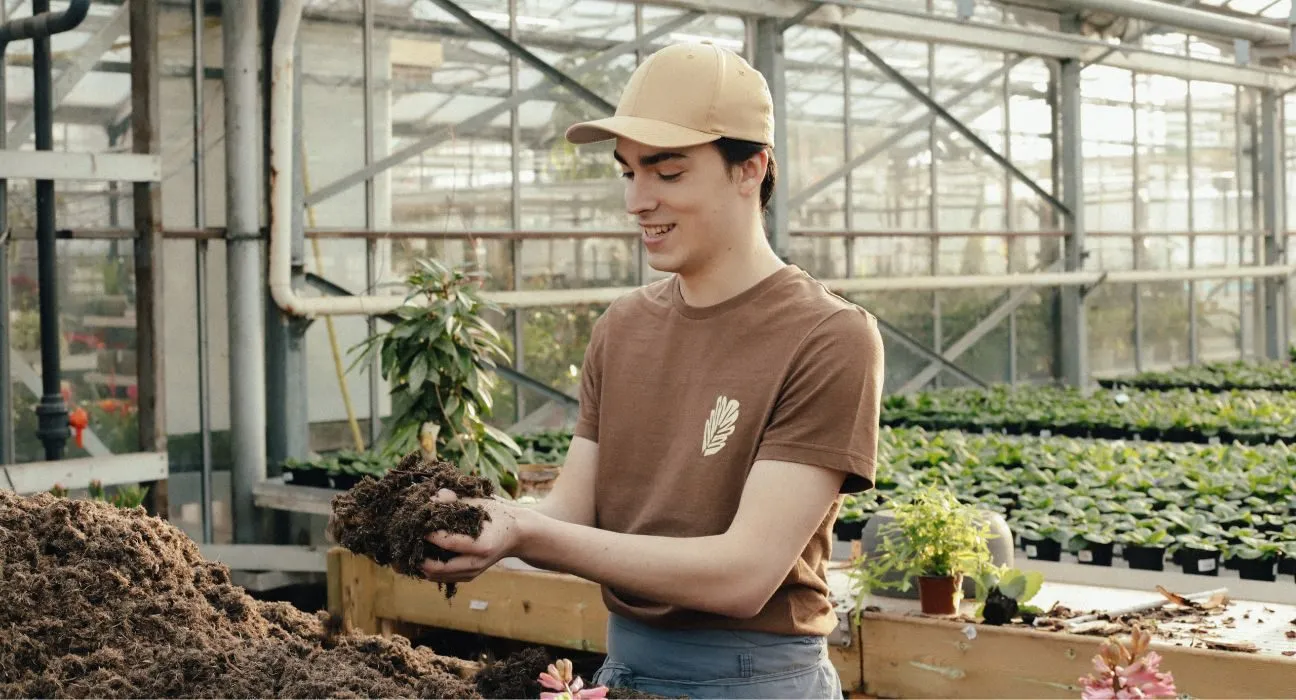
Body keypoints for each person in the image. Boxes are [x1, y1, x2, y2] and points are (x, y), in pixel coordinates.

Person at [420, 42, 885, 699]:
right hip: (624, 668)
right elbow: (571, 513)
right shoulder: (624, 327)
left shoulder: (828, 336)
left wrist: (528, 531)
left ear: (750, 168)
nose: (638, 201)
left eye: (667, 173)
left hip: (753, 680)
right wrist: (482, 522)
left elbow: (743, 575)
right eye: (628, 173)